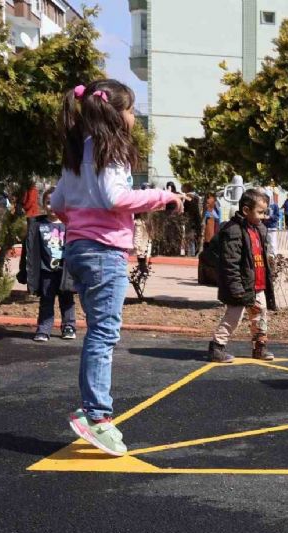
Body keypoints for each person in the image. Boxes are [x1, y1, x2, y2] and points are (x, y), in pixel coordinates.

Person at [51, 79, 185, 457]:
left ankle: (91, 409)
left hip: (78, 247)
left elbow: (58, 202)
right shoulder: (113, 151)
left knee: (97, 332)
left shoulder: (77, 152)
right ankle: (97, 416)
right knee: (104, 334)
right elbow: (116, 196)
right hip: (104, 253)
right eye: (130, 109)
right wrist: (164, 197)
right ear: (114, 113)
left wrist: (82, 217)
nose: (133, 116)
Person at [207, 188, 275, 364]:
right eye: (260, 212)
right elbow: (230, 263)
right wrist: (236, 287)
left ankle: (259, 347)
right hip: (241, 286)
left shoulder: (259, 229)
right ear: (246, 210)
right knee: (233, 317)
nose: (263, 216)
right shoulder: (234, 231)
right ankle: (217, 347)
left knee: (260, 316)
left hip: (257, 284)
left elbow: (260, 256)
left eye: (265, 212)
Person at [17, 204, 76, 341]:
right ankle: (44, 328)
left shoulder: (70, 224)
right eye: (49, 202)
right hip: (46, 270)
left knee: (67, 299)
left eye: (56, 202)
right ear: (44, 204)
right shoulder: (37, 225)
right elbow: (29, 250)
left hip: (65, 270)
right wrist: (24, 270)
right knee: (46, 300)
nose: (52, 206)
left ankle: (68, 326)